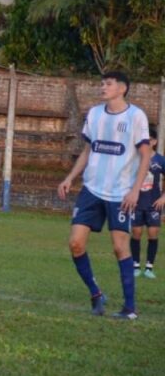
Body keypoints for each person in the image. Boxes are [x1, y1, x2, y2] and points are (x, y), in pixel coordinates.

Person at [57, 71, 152, 320]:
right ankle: (96, 293)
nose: (103, 87)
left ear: (122, 88)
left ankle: (129, 308)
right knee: (75, 243)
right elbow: (88, 150)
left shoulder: (136, 116)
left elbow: (146, 155)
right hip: (91, 189)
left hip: (120, 193)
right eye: (102, 83)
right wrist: (70, 178)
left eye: (108, 84)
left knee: (120, 247)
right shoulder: (95, 114)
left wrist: (135, 190)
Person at [131, 128, 165, 278]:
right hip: (136, 203)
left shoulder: (160, 160)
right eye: (144, 139)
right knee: (136, 233)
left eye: (149, 139)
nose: (146, 142)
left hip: (154, 204)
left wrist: (163, 198)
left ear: (155, 141)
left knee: (153, 234)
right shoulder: (135, 159)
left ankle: (149, 268)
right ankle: (135, 266)